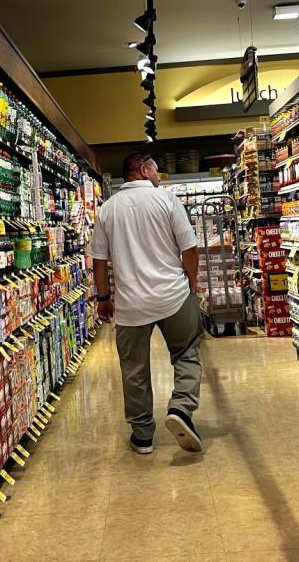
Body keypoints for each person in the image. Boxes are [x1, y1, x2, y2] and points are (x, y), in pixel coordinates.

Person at [89, 152, 203, 455]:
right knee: (187, 353)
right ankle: (181, 408)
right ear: (142, 170)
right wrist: (191, 283)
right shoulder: (166, 200)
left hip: (130, 305)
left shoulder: (107, 209)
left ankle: (142, 436)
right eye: (155, 168)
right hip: (173, 297)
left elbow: (98, 260)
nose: (158, 173)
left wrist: (103, 298)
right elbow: (190, 248)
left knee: (134, 370)